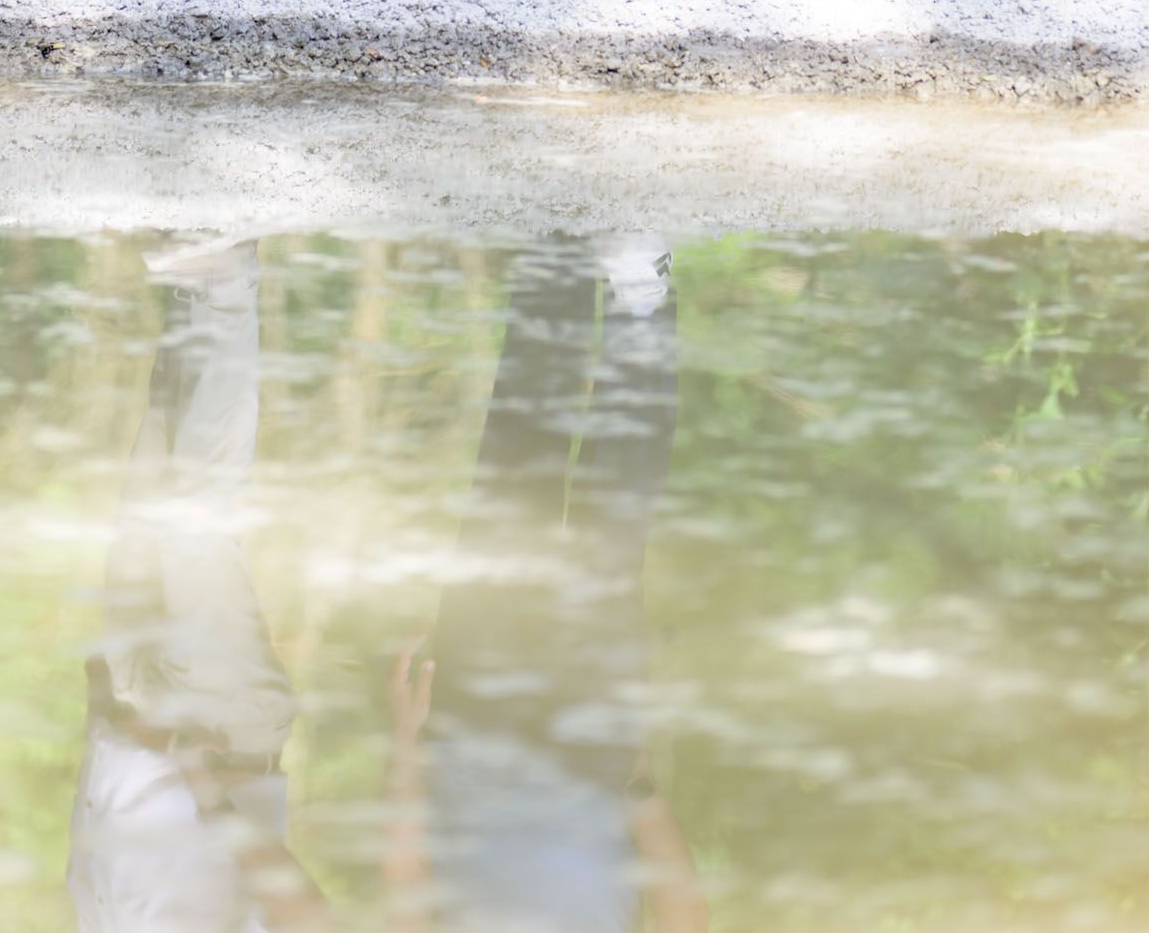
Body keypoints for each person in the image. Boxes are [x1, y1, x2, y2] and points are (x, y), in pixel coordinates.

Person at [383, 236, 705, 933]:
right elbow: (684, 915)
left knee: (509, 488)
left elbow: (406, 887)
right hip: (587, 752)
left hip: (471, 733)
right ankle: (639, 298)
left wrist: (406, 751)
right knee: (611, 516)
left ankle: (553, 267)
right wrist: (640, 786)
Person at [70, 240, 331, 933]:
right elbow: (310, 918)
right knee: (194, 522)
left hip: (137, 708)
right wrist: (210, 795)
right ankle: (228, 284)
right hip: (221, 728)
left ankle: (194, 293)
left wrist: (101, 709)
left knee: (152, 474)